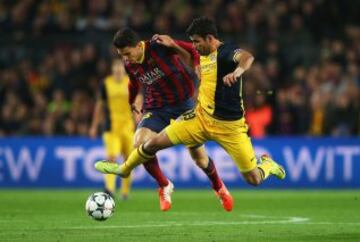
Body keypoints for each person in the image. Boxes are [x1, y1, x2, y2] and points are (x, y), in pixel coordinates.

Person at [95, 17, 286, 191]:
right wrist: (173, 44)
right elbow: (187, 58)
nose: (193, 45)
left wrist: (237, 72)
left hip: (230, 127)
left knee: (253, 179)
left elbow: (247, 57)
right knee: (151, 143)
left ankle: (267, 164)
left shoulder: (226, 52)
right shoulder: (201, 56)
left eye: (196, 41)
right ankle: (124, 169)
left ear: (210, 38)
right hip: (200, 119)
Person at [98, 27, 233, 212]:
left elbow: (194, 50)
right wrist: (132, 100)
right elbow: (134, 82)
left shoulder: (159, 46)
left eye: (127, 53)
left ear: (138, 46)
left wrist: (195, 65)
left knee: (199, 158)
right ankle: (164, 185)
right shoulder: (129, 63)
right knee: (139, 142)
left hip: (184, 104)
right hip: (157, 107)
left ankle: (219, 187)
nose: (126, 58)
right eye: (122, 55)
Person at [89, 59, 139, 200]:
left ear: (123, 70)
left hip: (128, 128)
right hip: (111, 128)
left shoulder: (131, 82)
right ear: (112, 69)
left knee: (129, 161)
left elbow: (138, 101)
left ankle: (125, 192)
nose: (118, 70)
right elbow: (99, 105)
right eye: (115, 68)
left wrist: (139, 122)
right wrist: (94, 126)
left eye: (120, 68)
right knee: (111, 157)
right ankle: (109, 189)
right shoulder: (106, 84)